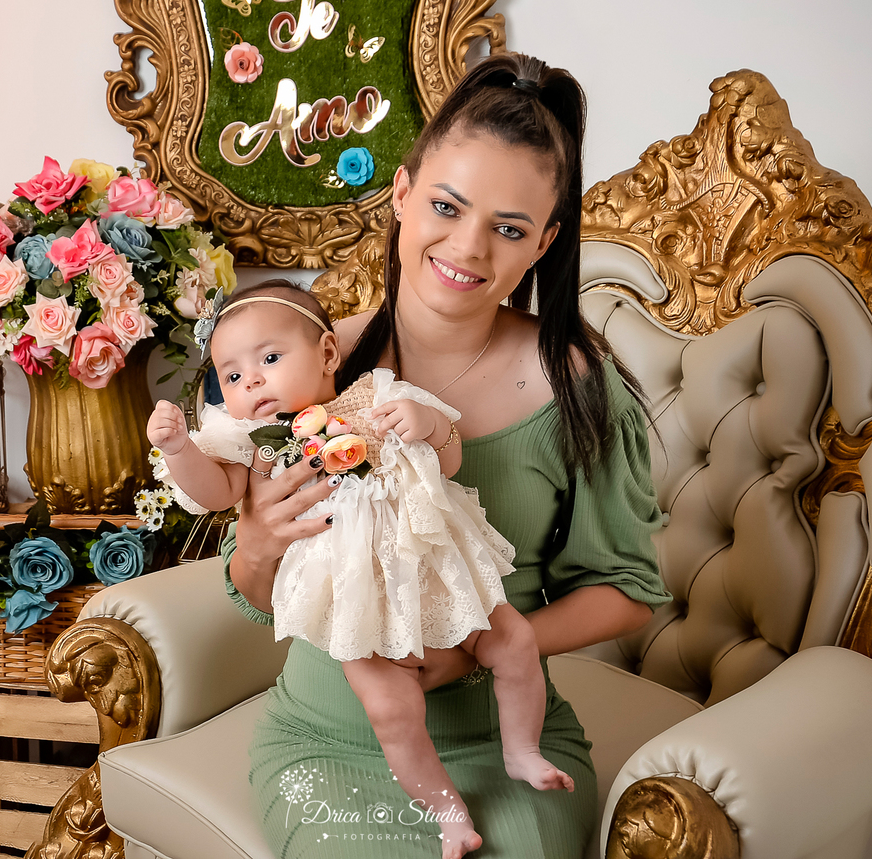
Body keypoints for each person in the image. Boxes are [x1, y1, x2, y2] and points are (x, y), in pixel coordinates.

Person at [225, 51, 672, 859]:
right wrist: (255, 544)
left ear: (544, 243)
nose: (468, 248)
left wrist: (477, 648)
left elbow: (628, 592)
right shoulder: (309, 368)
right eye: (446, 206)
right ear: (402, 194)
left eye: (509, 228)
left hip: (502, 739)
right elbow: (261, 600)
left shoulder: (576, 385)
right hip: (327, 737)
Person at [148, 282, 576, 855]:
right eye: (232, 375)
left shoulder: (378, 395)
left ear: (327, 353)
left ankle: (522, 750)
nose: (251, 381)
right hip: (357, 607)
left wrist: (428, 423)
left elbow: (449, 458)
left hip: (440, 577)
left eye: (269, 359)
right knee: (391, 709)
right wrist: (180, 450)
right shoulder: (257, 445)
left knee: (515, 640)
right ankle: (448, 813)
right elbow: (217, 492)